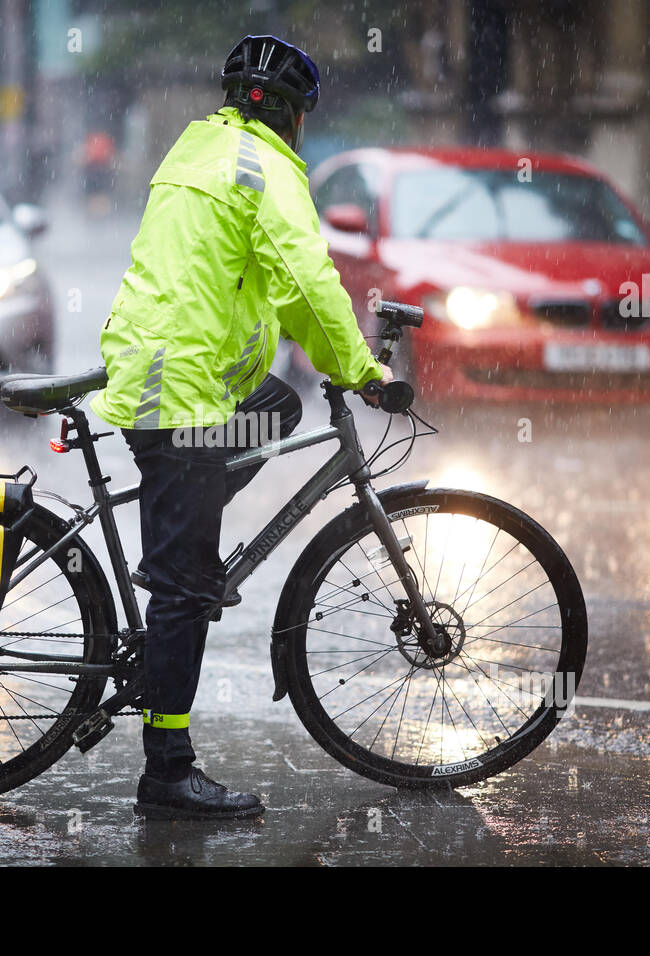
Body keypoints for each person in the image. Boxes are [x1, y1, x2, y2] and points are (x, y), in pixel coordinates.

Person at [90, 35, 391, 820]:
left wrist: (331, 354)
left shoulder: (199, 149)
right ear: (293, 119)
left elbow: (280, 290)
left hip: (159, 368)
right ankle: (167, 772)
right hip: (180, 391)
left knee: (276, 408)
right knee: (186, 589)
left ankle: (184, 548)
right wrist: (362, 370)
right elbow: (309, 280)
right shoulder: (269, 170)